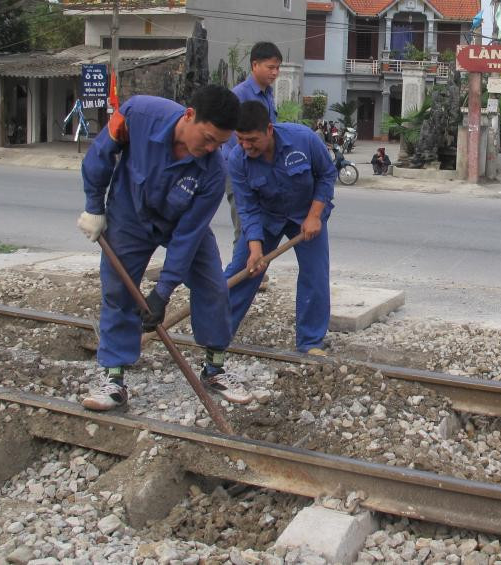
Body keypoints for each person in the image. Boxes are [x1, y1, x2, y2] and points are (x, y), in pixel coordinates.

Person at [77, 85, 253, 412]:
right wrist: (94, 206)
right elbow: (101, 153)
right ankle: (113, 380)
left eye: (220, 143)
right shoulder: (137, 114)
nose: (212, 147)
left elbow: (188, 235)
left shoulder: (214, 170)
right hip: (130, 215)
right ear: (189, 115)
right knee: (118, 289)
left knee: (213, 286)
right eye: (209, 137)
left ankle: (214, 370)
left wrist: (163, 290)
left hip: (180, 223)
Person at [224, 101, 337, 354]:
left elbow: (327, 174)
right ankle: (217, 332)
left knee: (315, 274)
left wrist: (314, 215)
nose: (246, 146)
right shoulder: (237, 159)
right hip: (266, 217)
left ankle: (310, 343)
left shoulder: (303, 139)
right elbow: (248, 207)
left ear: (269, 129)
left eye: (252, 139)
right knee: (242, 270)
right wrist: (255, 248)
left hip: (306, 214)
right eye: (240, 139)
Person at [222, 42, 282, 246]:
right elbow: (232, 139)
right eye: (270, 67)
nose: (275, 73)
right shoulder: (239, 95)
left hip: (262, 167)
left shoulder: (268, 94)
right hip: (239, 169)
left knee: (261, 224)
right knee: (244, 225)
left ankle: (255, 270)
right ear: (255, 65)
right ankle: (243, 273)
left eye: (277, 68)